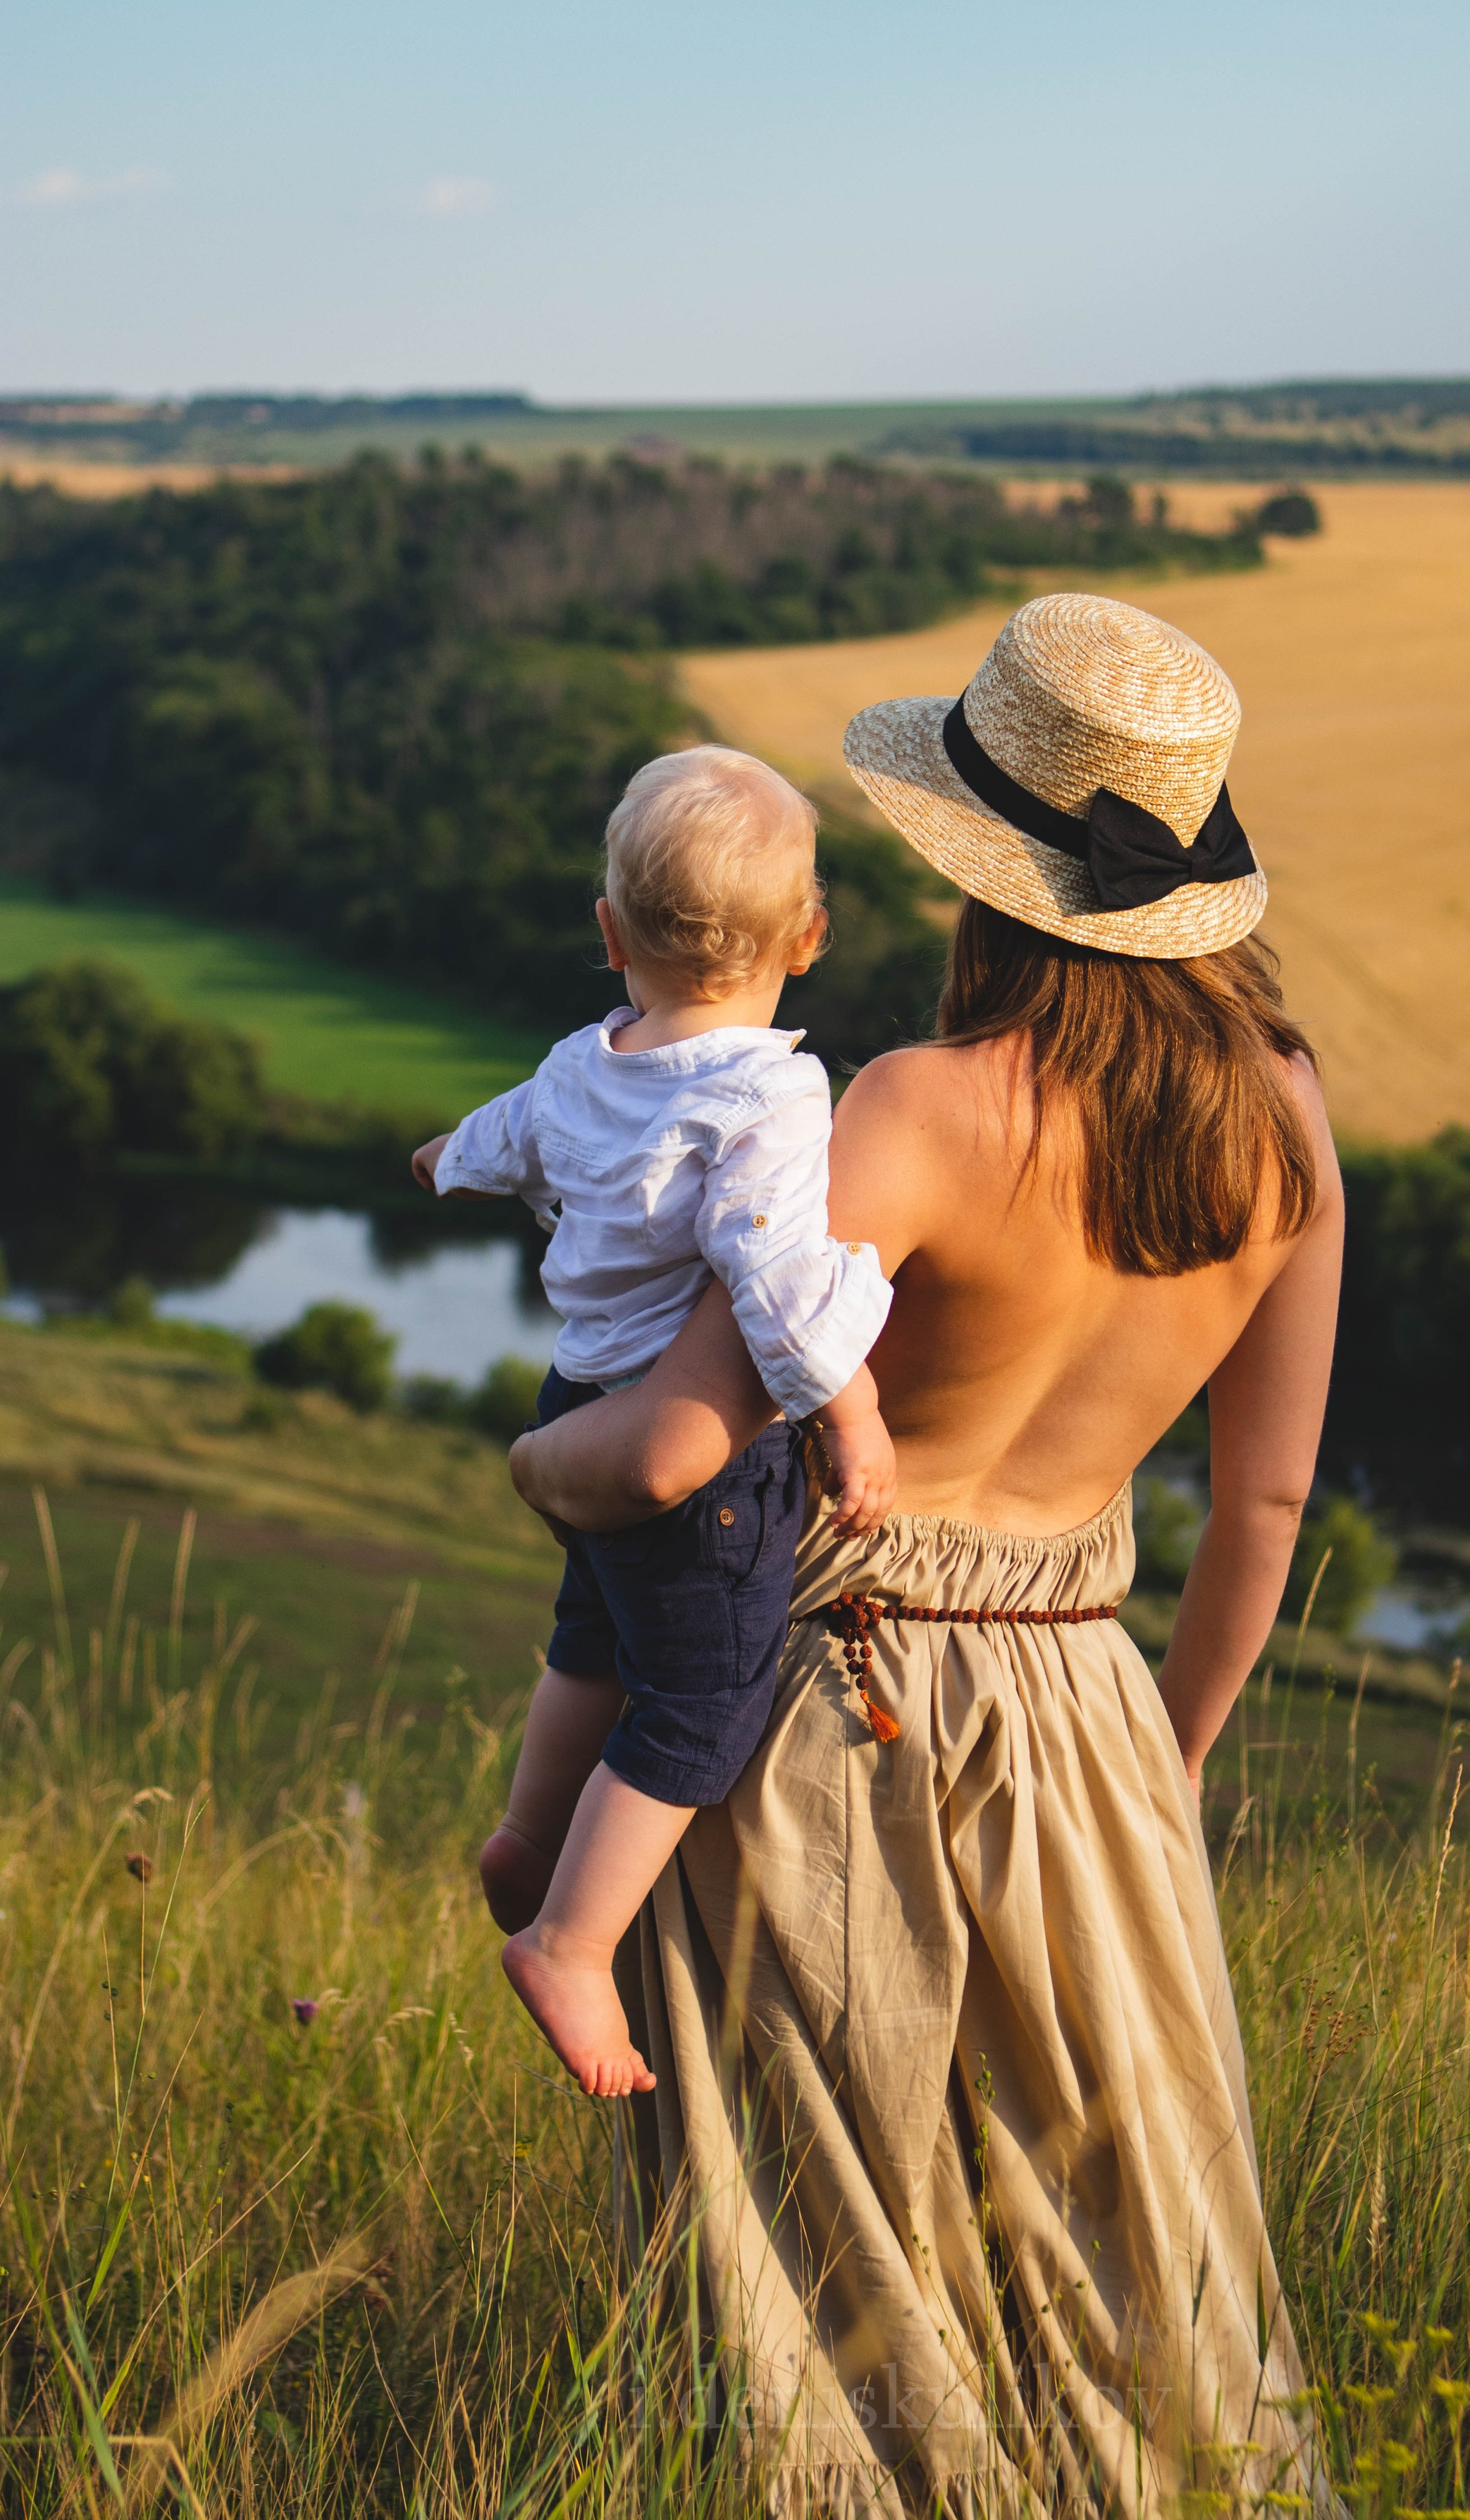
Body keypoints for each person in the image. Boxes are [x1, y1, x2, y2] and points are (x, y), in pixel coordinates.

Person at [511, 595, 1343, 2515]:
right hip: (1095, 1716)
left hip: (837, 1707)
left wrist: (534, 1467)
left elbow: (677, 1450)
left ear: (979, 870)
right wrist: (1173, 1763)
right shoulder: (1287, 1117)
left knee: (818, 2278)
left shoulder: (912, 1107)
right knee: (1127, 2287)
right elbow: (1268, 1507)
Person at [412, 744, 896, 2097]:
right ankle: (571, 1941)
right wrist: (851, 1417)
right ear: (805, 941)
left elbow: (504, 1135)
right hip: (702, 1461)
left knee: (593, 1641)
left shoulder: (584, 1063)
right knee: (698, 1700)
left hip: (581, 1395)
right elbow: (776, 1276)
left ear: (610, 931)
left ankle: (528, 1829)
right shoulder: (771, 1095)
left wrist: (447, 1159)